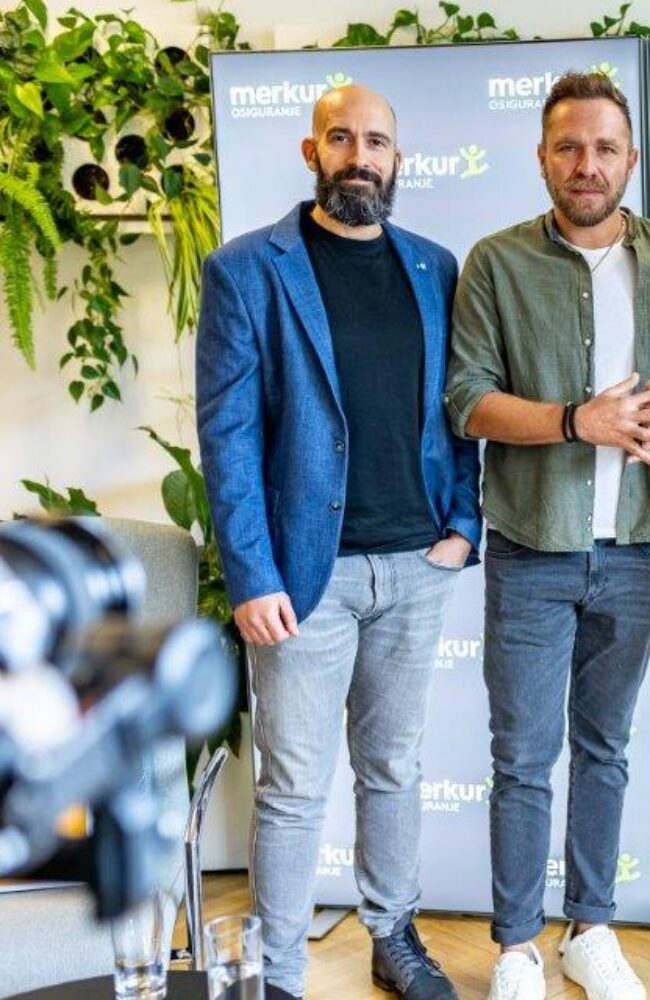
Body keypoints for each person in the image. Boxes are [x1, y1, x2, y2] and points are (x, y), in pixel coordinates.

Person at [197, 84, 481, 1000]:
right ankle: (278, 975)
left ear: (397, 158)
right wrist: (251, 573)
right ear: (311, 151)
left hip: (415, 563)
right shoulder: (247, 270)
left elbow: (460, 409)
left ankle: (393, 938)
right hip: (299, 579)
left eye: (377, 142)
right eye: (343, 138)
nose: (361, 156)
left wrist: (463, 524)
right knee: (292, 788)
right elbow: (228, 436)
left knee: (394, 769)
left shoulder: (435, 267)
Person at [444, 71, 650, 1000]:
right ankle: (518, 947)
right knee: (523, 759)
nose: (586, 164)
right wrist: (577, 422)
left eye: (604, 148)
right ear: (542, 159)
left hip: (636, 547)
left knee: (606, 749)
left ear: (631, 159)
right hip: (531, 547)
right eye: (568, 147)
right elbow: (466, 400)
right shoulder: (496, 262)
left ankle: (590, 931)